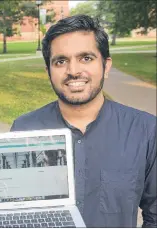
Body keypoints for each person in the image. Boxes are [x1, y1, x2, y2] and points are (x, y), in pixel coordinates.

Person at [11, 15, 156, 227]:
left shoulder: (146, 131)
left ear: (106, 66)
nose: (73, 71)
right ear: (48, 72)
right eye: (60, 61)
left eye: (86, 58)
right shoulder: (24, 130)